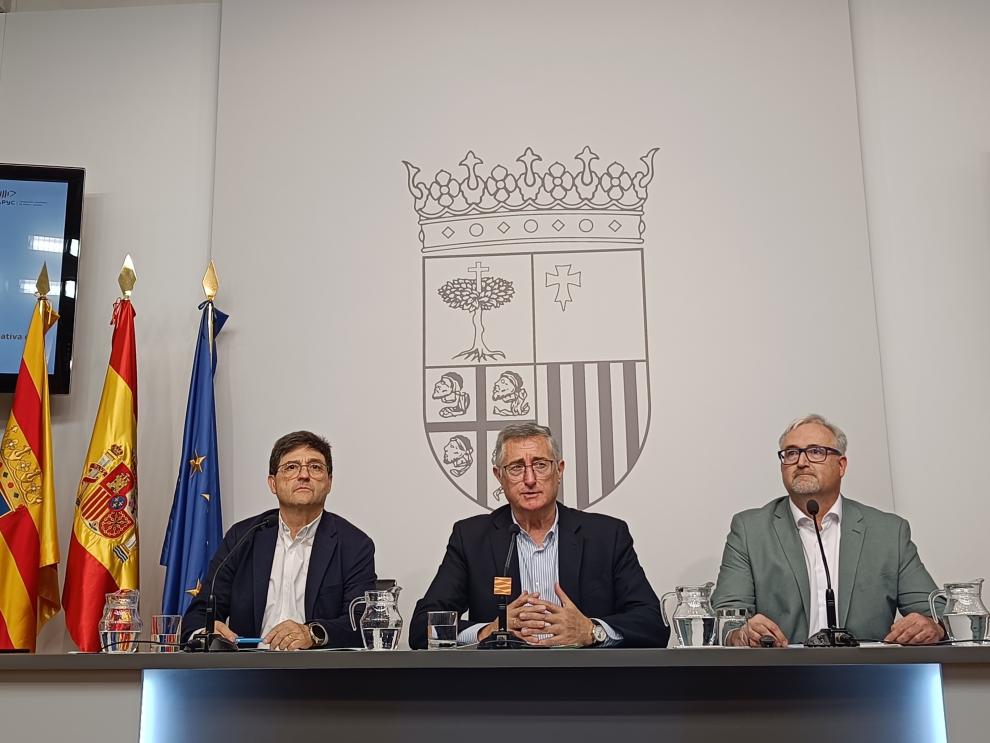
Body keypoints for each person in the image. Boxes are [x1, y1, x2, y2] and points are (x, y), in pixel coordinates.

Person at [410, 422, 666, 648]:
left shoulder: (606, 536)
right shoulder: (471, 538)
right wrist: (489, 630)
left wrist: (591, 630)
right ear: (499, 476)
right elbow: (423, 626)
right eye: (516, 468)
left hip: (588, 686)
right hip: (500, 687)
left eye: (540, 465)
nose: (530, 479)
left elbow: (652, 623)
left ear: (559, 470)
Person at [712, 414, 944, 647]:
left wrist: (932, 626)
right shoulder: (750, 530)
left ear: (841, 465)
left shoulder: (888, 532)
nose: (801, 462)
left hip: (867, 674)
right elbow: (725, 620)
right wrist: (742, 633)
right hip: (778, 675)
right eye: (791, 453)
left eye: (815, 451)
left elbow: (938, 614)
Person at [181, 430, 376, 650]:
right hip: (248, 673)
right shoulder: (243, 537)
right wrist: (206, 630)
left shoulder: (354, 545)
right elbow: (199, 613)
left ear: (329, 483)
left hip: (319, 674)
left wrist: (312, 633)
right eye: (291, 467)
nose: (304, 475)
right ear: (272, 483)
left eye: (315, 467)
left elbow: (361, 623)